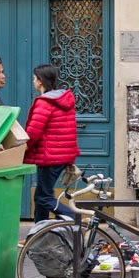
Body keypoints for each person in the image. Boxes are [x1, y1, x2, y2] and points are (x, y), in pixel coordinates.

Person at [24, 64, 80, 221]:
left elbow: (33, 133)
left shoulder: (45, 102)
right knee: (41, 197)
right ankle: (37, 234)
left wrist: (20, 149)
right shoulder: (64, 100)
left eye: (35, 79)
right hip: (61, 156)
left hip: (49, 157)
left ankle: (74, 218)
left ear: (40, 81)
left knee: (43, 197)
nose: (33, 81)